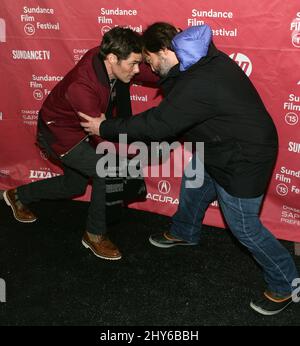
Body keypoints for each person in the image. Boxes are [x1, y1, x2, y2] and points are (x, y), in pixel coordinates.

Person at [78, 22, 299, 315]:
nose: (150, 67)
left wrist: (104, 127)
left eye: (149, 59)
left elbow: (157, 125)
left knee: (245, 227)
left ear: (165, 51)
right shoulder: (198, 60)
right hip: (221, 145)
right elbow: (175, 103)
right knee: (195, 183)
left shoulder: (198, 81)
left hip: (243, 157)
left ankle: (286, 283)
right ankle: (186, 230)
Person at [3, 27, 144, 261]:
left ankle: (17, 195)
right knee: (108, 171)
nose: (137, 70)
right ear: (112, 59)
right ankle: (94, 235)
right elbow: (101, 137)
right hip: (59, 135)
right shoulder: (82, 87)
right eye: (133, 64)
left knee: (74, 186)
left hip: (78, 130)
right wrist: (133, 153)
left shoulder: (106, 58)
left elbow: (145, 73)